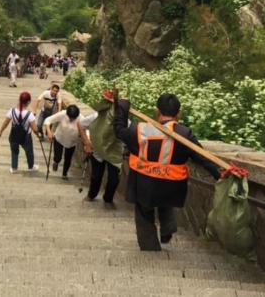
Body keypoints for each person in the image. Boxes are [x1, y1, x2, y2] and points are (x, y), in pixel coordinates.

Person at [112, 93, 223, 251]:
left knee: (144, 213)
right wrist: (219, 174)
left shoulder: (140, 130)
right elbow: (201, 156)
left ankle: (150, 246)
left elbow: (119, 130)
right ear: (178, 113)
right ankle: (168, 227)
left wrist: (122, 108)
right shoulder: (184, 134)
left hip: (144, 183)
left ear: (157, 111)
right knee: (165, 202)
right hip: (172, 185)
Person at [83, 94, 124, 209]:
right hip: (97, 152)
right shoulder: (96, 116)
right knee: (96, 176)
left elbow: (130, 133)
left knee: (114, 180)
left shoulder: (122, 120)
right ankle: (92, 194)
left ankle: (108, 198)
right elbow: (80, 125)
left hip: (114, 153)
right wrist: (87, 142)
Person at [44, 105, 94, 179]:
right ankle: (56, 162)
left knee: (68, 159)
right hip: (59, 138)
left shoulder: (81, 119)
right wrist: (49, 132)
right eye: (70, 117)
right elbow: (48, 120)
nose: (71, 119)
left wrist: (87, 143)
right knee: (58, 157)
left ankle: (64, 174)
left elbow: (86, 131)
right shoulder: (62, 114)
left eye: (73, 118)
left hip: (71, 142)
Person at [0, 92, 41, 173]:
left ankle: (14, 168)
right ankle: (31, 167)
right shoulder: (29, 114)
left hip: (14, 135)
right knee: (29, 152)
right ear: (28, 102)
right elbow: (35, 129)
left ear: (19, 100)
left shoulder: (12, 111)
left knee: (14, 151)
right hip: (26, 137)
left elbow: (5, 123)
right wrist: (38, 135)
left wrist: (0, 131)